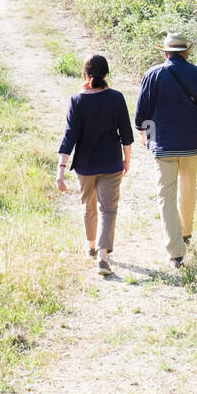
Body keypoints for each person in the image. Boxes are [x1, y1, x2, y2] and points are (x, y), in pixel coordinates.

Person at [134, 33, 197, 269]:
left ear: (164, 52)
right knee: (188, 189)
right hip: (192, 145)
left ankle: (175, 253)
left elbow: (141, 115)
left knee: (166, 197)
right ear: (186, 52)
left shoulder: (153, 74)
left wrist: (148, 137)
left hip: (163, 146)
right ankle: (186, 232)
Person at [56, 54, 133, 275]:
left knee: (88, 206)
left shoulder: (77, 100)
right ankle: (102, 255)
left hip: (85, 165)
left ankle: (91, 244)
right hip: (111, 163)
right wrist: (127, 158)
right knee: (108, 210)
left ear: (85, 74)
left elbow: (69, 136)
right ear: (106, 74)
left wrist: (61, 168)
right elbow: (126, 135)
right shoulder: (116, 98)